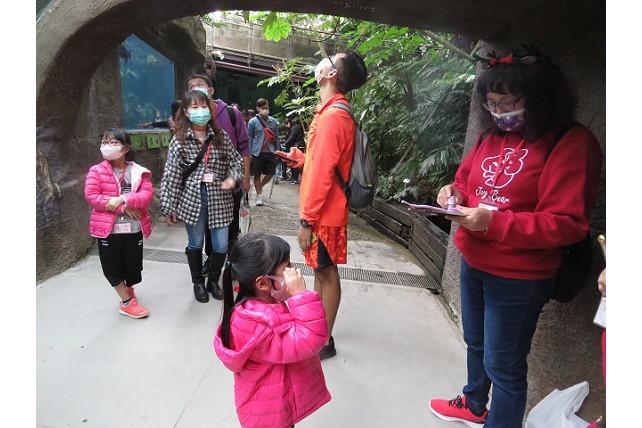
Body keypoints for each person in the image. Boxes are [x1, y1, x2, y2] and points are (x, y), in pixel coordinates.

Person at [428, 46, 603, 428]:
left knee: (504, 366)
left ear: (540, 97)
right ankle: (474, 403)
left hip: (519, 277)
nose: (499, 113)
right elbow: (466, 181)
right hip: (473, 261)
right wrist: (453, 193)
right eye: (491, 104)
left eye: (507, 103)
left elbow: (567, 223)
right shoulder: (489, 136)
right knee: (476, 343)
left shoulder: (572, 143)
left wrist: (493, 223)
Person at [214, 232, 331, 428]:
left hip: (272, 405)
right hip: (270, 416)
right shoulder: (260, 324)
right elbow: (311, 339)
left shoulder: (259, 305)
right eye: (287, 267)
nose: (294, 271)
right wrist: (301, 296)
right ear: (262, 283)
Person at [294, 50, 367, 360]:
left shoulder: (333, 116)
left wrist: (306, 221)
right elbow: (324, 163)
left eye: (330, 59)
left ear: (332, 74)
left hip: (323, 214)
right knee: (321, 270)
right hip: (326, 211)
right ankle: (318, 333)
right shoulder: (333, 112)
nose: (323, 62)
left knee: (326, 273)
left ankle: (323, 341)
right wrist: (303, 159)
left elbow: (324, 174)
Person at [159, 90, 244, 303]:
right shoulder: (179, 141)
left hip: (220, 200)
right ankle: (197, 283)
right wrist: (168, 207)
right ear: (186, 112)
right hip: (192, 200)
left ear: (210, 109)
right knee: (195, 243)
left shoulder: (221, 137)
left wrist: (233, 179)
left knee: (221, 245)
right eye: (195, 107)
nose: (200, 111)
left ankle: (213, 281)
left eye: (204, 106)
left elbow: (236, 161)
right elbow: (171, 175)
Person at [185, 74, 251, 291]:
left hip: (227, 185)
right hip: (201, 190)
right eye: (191, 86)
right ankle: (210, 263)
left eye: (200, 85)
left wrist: (243, 178)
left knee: (229, 227)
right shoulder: (187, 125)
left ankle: (229, 265)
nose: (195, 88)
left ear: (211, 90)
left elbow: (243, 147)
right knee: (204, 229)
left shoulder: (230, 114)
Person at [84, 128, 154, 319]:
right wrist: (122, 208)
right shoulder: (96, 171)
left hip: (133, 229)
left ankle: (128, 291)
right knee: (112, 267)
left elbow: (146, 196)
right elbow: (92, 196)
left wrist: (124, 199)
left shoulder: (139, 171)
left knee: (133, 268)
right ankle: (126, 303)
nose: (107, 146)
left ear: (125, 148)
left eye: (113, 142)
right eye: (104, 142)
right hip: (108, 230)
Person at [247, 98, 279, 206]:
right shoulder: (253, 122)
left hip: (270, 151)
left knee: (270, 173)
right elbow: (250, 138)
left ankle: (260, 186)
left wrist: (277, 150)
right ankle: (259, 195)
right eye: (263, 108)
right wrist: (249, 152)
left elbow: (276, 137)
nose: (265, 110)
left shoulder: (273, 121)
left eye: (266, 107)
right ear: (258, 109)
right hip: (257, 152)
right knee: (257, 174)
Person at [283, 117, 306, 184]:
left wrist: (285, 144)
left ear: (289, 123)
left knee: (295, 162)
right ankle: (293, 178)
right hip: (296, 146)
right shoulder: (295, 127)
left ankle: (295, 178)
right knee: (293, 162)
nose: (286, 126)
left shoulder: (294, 128)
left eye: (286, 124)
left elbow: (291, 137)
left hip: (298, 146)